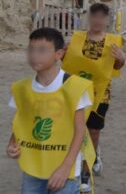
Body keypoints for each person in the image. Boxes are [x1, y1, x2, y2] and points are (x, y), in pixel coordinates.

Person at [7, 28, 94, 194]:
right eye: (31, 49)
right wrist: (13, 144)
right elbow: (21, 123)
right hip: (33, 168)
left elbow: (80, 130)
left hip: (64, 171)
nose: (34, 55)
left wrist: (65, 167)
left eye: (42, 50)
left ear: (59, 54)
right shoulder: (22, 89)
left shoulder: (74, 87)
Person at [60, 3, 125, 190]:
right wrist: (63, 53)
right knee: (73, 130)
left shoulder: (113, 41)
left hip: (100, 93)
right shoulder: (77, 39)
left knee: (93, 130)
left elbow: (116, 67)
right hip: (75, 92)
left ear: (107, 20)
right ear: (89, 17)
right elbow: (66, 62)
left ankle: (87, 170)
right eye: (94, 16)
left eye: (102, 17)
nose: (97, 20)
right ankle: (73, 165)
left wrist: (121, 58)